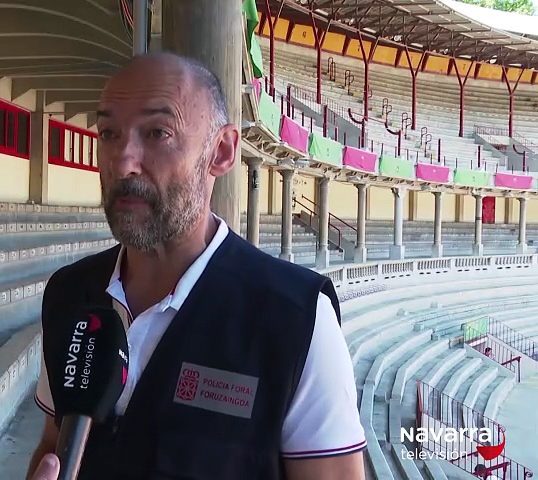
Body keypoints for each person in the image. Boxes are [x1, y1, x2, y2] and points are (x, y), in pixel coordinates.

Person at [26, 51, 366, 480]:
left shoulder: (297, 319)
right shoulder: (68, 294)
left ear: (221, 152)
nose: (123, 161)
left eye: (157, 133)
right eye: (109, 132)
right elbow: (53, 446)